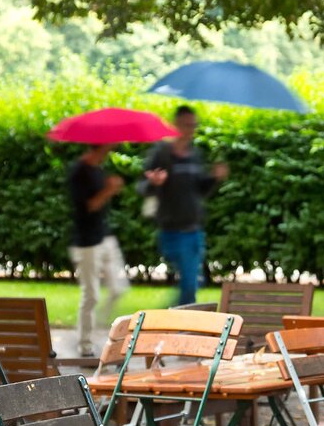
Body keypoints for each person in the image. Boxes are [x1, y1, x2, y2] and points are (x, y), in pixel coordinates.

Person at [140, 104, 229, 305]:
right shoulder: (161, 154)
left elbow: (200, 190)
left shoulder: (194, 154)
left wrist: (214, 178)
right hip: (173, 231)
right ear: (175, 125)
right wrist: (154, 183)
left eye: (193, 125)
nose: (190, 130)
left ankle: (169, 324)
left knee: (194, 282)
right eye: (186, 125)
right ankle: (166, 324)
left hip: (195, 230)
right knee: (190, 284)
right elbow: (142, 187)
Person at [67, 145, 129, 357]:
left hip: (105, 237)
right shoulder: (79, 172)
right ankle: (85, 343)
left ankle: (103, 330)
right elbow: (90, 206)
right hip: (86, 243)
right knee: (91, 295)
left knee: (118, 288)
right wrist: (109, 190)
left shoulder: (98, 170)